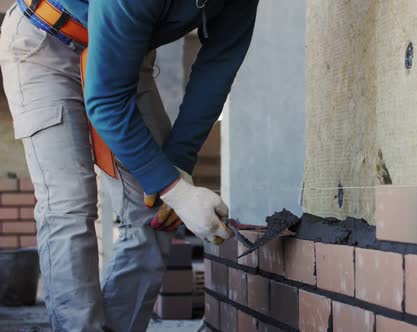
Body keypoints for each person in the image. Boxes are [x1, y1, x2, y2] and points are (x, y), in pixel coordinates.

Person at [0, 0, 258, 330]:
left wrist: (177, 168)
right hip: (46, 44)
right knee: (69, 206)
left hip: (127, 56)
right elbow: (106, 101)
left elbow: (217, 66)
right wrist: (174, 190)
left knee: (156, 214)